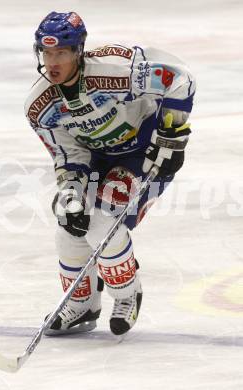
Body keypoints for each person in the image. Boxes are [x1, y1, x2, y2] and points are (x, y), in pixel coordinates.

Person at [24, 11, 195, 336]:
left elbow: (180, 78)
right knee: (69, 224)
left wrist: (171, 134)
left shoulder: (116, 71)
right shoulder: (39, 106)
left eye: (60, 52)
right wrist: (71, 194)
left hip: (142, 150)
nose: (52, 61)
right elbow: (68, 154)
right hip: (98, 158)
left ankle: (128, 294)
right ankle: (81, 304)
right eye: (46, 53)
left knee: (102, 224)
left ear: (78, 51)